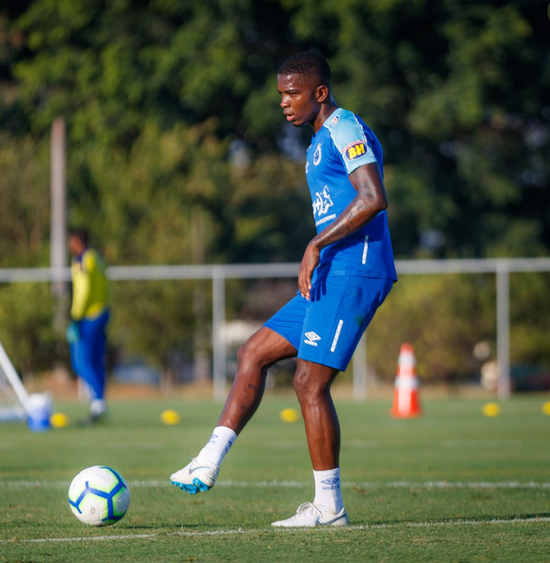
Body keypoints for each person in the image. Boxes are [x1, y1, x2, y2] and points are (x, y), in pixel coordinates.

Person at [170, 51, 397, 527]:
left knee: (309, 383)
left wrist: (316, 243)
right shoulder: (316, 140)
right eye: (280, 95)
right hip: (330, 272)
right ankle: (208, 460)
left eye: (293, 94)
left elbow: (374, 197)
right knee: (253, 352)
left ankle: (329, 507)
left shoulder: (345, 128)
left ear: (320, 93)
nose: (284, 103)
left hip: (354, 270)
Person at [67, 228, 110, 425]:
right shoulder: (98, 257)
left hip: (89, 316)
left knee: (81, 362)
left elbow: (83, 290)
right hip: (103, 312)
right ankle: (99, 404)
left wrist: (75, 317)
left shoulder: (83, 260)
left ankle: (98, 404)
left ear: (77, 241)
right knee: (95, 361)